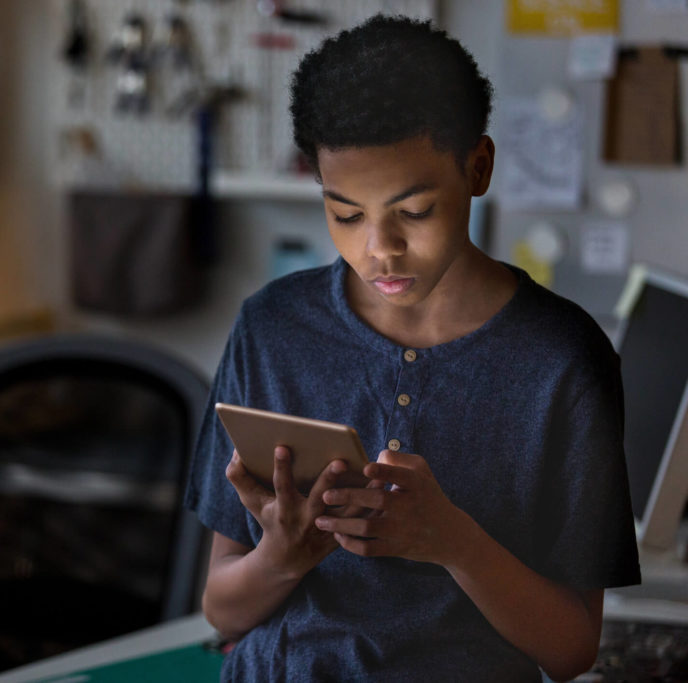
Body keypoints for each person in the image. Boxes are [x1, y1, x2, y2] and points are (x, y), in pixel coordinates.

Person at [183, 14, 640, 682]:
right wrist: (281, 556)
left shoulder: (563, 359)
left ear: (478, 167)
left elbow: (571, 649)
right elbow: (221, 610)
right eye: (345, 213)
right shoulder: (273, 327)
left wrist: (455, 543)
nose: (380, 248)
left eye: (415, 211)